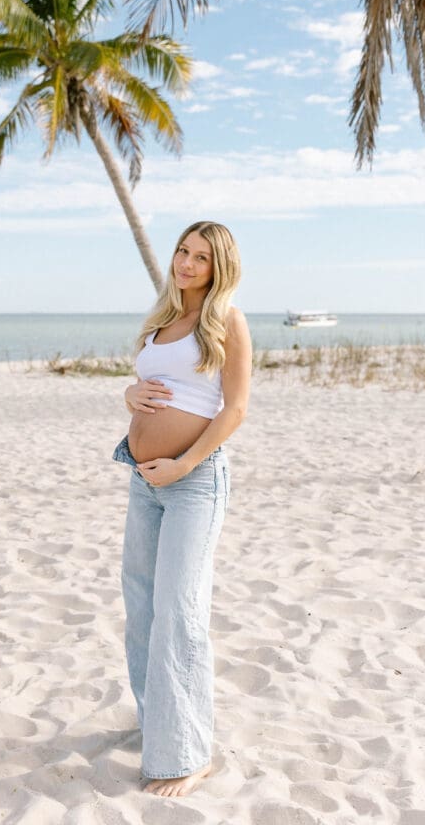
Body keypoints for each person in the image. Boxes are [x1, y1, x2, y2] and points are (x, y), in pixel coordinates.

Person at [112, 220, 252, 798]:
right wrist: (128, 395)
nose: (187, 264)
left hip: (193, 483)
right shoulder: (162, 321)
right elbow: (148, 386)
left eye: (201, 257)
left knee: (180, 614)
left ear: (219, 267)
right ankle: (158, 727)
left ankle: (189, 756)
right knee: (141, 606)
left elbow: (235, 409)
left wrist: (185, 463)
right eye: (182, 251)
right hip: (144, 481)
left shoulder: (227, 321)